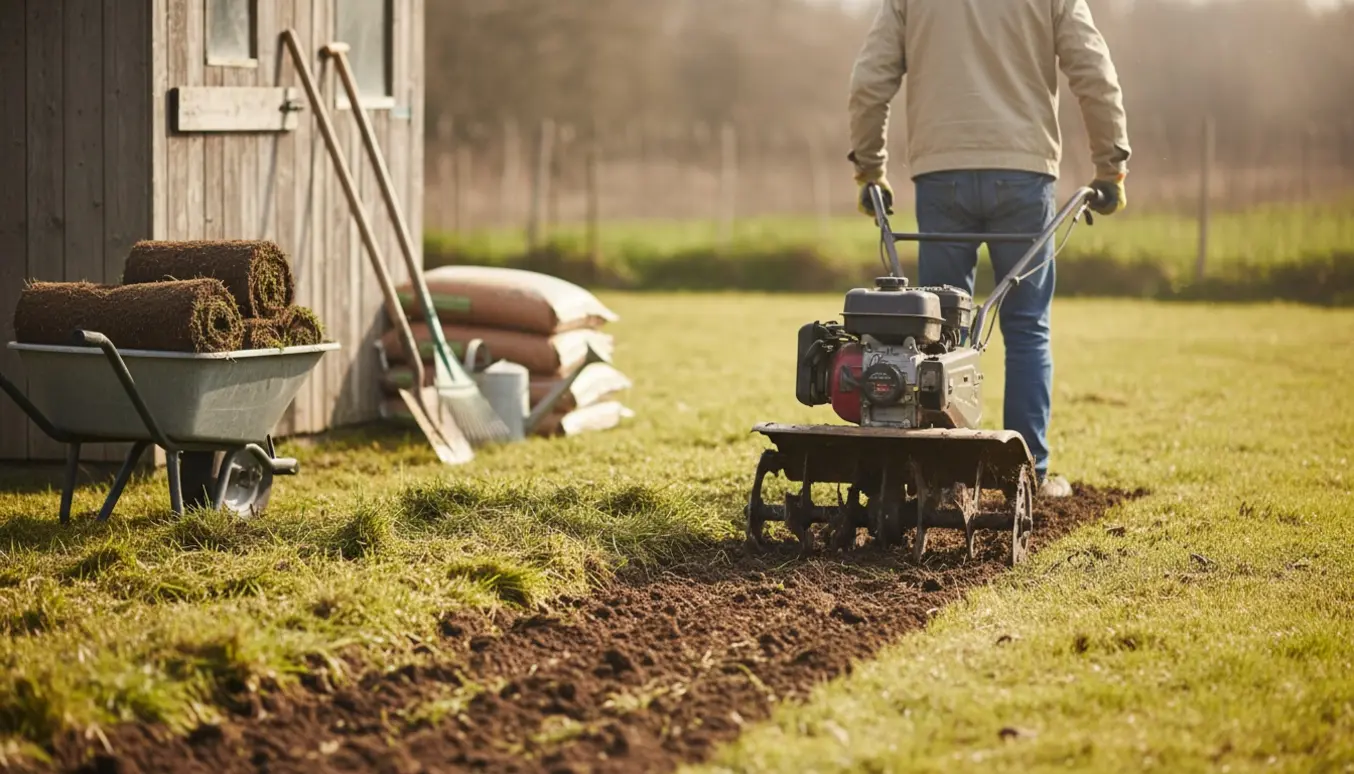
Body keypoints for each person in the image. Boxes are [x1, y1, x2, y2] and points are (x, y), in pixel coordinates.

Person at [847, 0, 1131, 498]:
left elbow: (872, 78)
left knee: (938, 330)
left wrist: (869, 167)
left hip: (941, 173)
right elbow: (1092, 68)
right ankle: (1028, 476)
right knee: (1026, 327)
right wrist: (1111, 165)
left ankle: (943, 478)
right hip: (1024, 172)